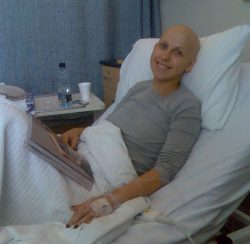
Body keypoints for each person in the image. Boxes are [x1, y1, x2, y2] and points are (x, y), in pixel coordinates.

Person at [61, 24, 201, 228]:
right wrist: (81, 131)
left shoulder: (186, 106)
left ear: (189, 65)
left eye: (177, 53)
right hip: (81, 159)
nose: (165, 56)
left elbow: (166, 169)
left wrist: (111, 199)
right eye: (163, 46)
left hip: (104, 178)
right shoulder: (139, 88)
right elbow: (109, 129)